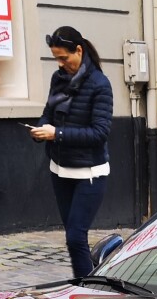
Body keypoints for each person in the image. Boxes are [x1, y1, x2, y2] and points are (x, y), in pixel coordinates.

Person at [31, 26, 113, 279]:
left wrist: (57, 134)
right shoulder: (58, 79)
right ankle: (89, 280)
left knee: (75, 236)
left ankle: (86, 289)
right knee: (74, 237)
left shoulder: (100, 84)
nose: (60, 63)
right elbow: (49, 111)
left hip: (90, 171)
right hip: (59, 167)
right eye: (56, 58)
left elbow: (100, 133)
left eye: (63, 57)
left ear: (79, 50)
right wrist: (41, 127)